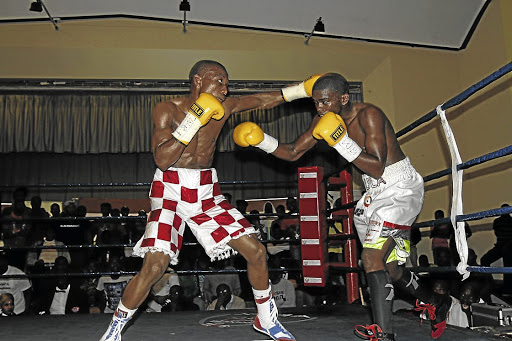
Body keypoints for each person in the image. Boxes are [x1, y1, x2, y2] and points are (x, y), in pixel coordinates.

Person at [234, 73, 451, 340]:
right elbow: (293, 151)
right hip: (373, 193)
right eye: (316, 103)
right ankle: (436, 302)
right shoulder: (322, 120)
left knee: (370, 258)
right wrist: (261, 141)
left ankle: (384, 335)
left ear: (344, 98)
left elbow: (378, 166)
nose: (320, 108)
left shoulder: (369, 115)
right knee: (390, 269)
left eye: (325, 102)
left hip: (399, 188)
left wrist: (340, 142)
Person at [99, 60, 297, 341]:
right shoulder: (166, 109)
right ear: (198, 81)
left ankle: (266, 320)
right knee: (155, 266)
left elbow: (262, 101)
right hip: (169, 191)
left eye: (227, 82)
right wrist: (194, 118)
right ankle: (114, 330)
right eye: (219, 81)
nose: (225, 89)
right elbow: (163, 160)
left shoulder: (225, 107)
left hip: (205, 191)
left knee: (256, 252)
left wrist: (302, 90)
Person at [481, 203, 512, 295]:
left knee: (507, 266)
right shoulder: (497, 221)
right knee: (485, 260)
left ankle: (508, 289)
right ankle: (489, 284)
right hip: (500, 245)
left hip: (510, 246)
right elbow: (498, 233)